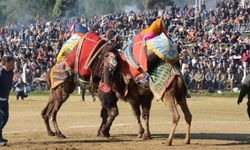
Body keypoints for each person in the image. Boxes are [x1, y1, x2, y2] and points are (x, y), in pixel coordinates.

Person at [0, 55, 15, 146]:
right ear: (6, 63)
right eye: (12, 62)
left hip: (5, 99)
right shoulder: (0, 72)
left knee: (5, 118)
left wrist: (8, 94)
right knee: (0, 118)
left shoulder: (11, 72)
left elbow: (9, 84)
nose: (13, 64)